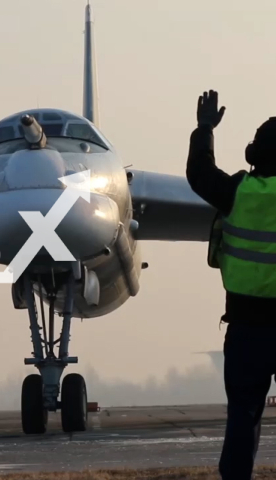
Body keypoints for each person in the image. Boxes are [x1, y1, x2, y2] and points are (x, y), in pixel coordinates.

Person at [186, 90, 276, 480]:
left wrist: (204, 129)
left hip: (247, 331)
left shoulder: (237, 192)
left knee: (243, 417)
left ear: (253, 154)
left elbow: (199, 174)